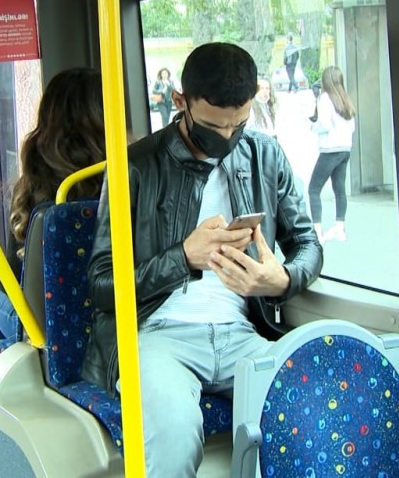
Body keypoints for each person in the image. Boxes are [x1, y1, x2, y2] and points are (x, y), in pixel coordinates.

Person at [83, 42, 322, 477]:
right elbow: (101, 286)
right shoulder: (135, 167)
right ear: (180, 102)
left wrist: (281, 280)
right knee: (174, 434)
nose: (227, 140)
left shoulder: (263, 155)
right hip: (156, 335)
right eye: (213, 128)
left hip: (243, 333)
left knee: (312, 410)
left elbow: (308, 245)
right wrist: (183, 258)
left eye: (239, 125)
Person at [0, 67, 107, 356]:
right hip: (114, 322)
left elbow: (10, 273)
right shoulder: (126, 171)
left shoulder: (40, 183)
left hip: (51, 331)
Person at [308, 66, 356, 243]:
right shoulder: (345, 98)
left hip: (330, 150)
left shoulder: (325, 98)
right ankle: (339, 227)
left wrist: (312, 127)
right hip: (345, 149)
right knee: (339, 188)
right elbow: (352, 127)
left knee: (314, 189)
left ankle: (317, 231)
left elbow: (324, 125)